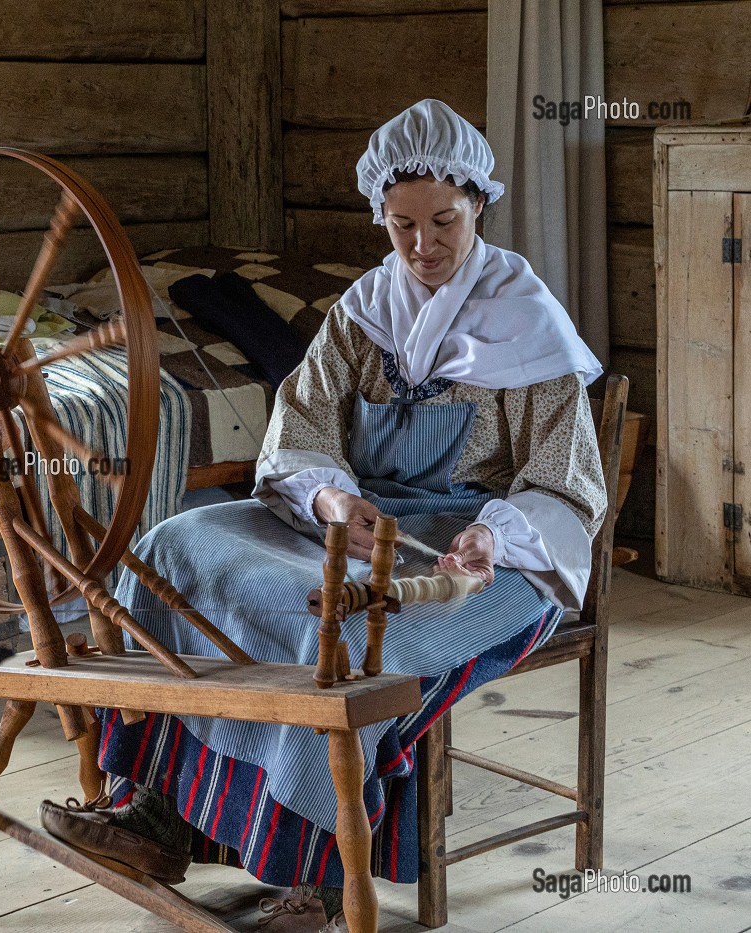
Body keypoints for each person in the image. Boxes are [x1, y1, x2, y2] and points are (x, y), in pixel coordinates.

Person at [39, 99, 606, 932]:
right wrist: (334, 497)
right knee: (173, 546)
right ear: (380, 213)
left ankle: (316, 877)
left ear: (479, 203)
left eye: (444, 221)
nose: (424, 246)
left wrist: (494, 531)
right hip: (349, 523)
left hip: (473, 556)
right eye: (402, 224)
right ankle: (158, 813)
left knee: (336, 633)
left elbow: (565, 485)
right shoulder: (365, 309)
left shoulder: (525, 321)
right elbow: (297, 433)